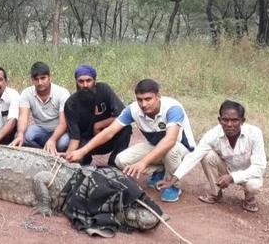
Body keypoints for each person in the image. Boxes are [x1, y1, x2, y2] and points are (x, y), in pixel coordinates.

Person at [67, 79, 195, 202]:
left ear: (158, 96)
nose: (144, 104)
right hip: (157, 146)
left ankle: (173, 184)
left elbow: (170, 140)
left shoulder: (172, 108)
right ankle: (160, 170)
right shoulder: (133, 109)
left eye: (148, 99)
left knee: (171, 150)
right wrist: (82, 151)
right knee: (120, 160)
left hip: (182, 150)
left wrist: (143, 163)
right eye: (140, 99)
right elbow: (109, 132)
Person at [157, 100, 266, 212]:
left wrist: (232, 177)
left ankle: (249, 198)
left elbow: (259, 167)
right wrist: (174, 179)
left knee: (253, 185)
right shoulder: (213, 134)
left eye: (234, 120)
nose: (229, 124)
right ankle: (216, 193)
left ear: (242, 121)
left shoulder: (254, 133)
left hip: (248, 174)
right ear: (219, 120)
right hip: (226, 170)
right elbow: (194, 156)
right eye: (225, 120)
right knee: (207, 155)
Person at [61, 64, 131, 166]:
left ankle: (114, 163)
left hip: (107, 136)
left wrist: (99, 125)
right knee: (75, 163)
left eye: (88, 80)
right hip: (86, 143)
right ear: (76, 82)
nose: (85, 85)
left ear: (94, 80)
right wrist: (68, 157)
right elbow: (75, 137)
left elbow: (122, 114)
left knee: (125, 128)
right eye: (81, 81)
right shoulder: (70, 104)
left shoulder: (104, 89)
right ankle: (85, 160)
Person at [10, 62, 70, 154]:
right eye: (36, 79)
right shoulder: (27, 93)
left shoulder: (62, 93)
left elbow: (63, 123)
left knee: (62, 144)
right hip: (40, 130)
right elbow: (23, 117)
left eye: (43, 78)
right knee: (26, 137)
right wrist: (20, 135)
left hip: (59, 132)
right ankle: (43, 153)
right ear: (32, 80)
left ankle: (51, 149)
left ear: (50, 77)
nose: (40, 83)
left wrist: (53, 140)